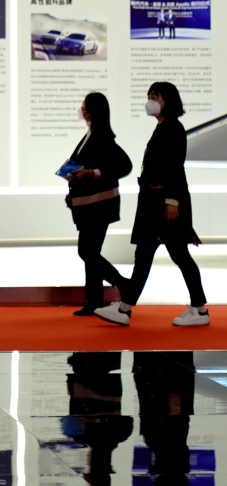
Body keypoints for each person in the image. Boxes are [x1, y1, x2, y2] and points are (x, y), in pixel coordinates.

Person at [96, 82, 209, 327]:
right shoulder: (163, 127)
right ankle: (127, 307)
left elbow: (175, 167)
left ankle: (196, 310)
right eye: (149, 96)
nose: (150, 101)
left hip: (164, 203)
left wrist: (172, 201)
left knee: (170, 254)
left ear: (167, 101)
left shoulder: (173, 128)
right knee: (152, 254)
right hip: (154, 202)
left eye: (154, 97)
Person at [64, 93, 132, 316]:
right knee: (91, 252)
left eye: (84, 107)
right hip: (88, 204)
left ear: (91, 112)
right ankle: (94, 300)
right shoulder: (91, 135)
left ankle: (122, 283)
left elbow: (125, 166)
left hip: (99, 205)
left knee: (87, 251)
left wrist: (94, 173)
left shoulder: (102, 137)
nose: (81, 110)